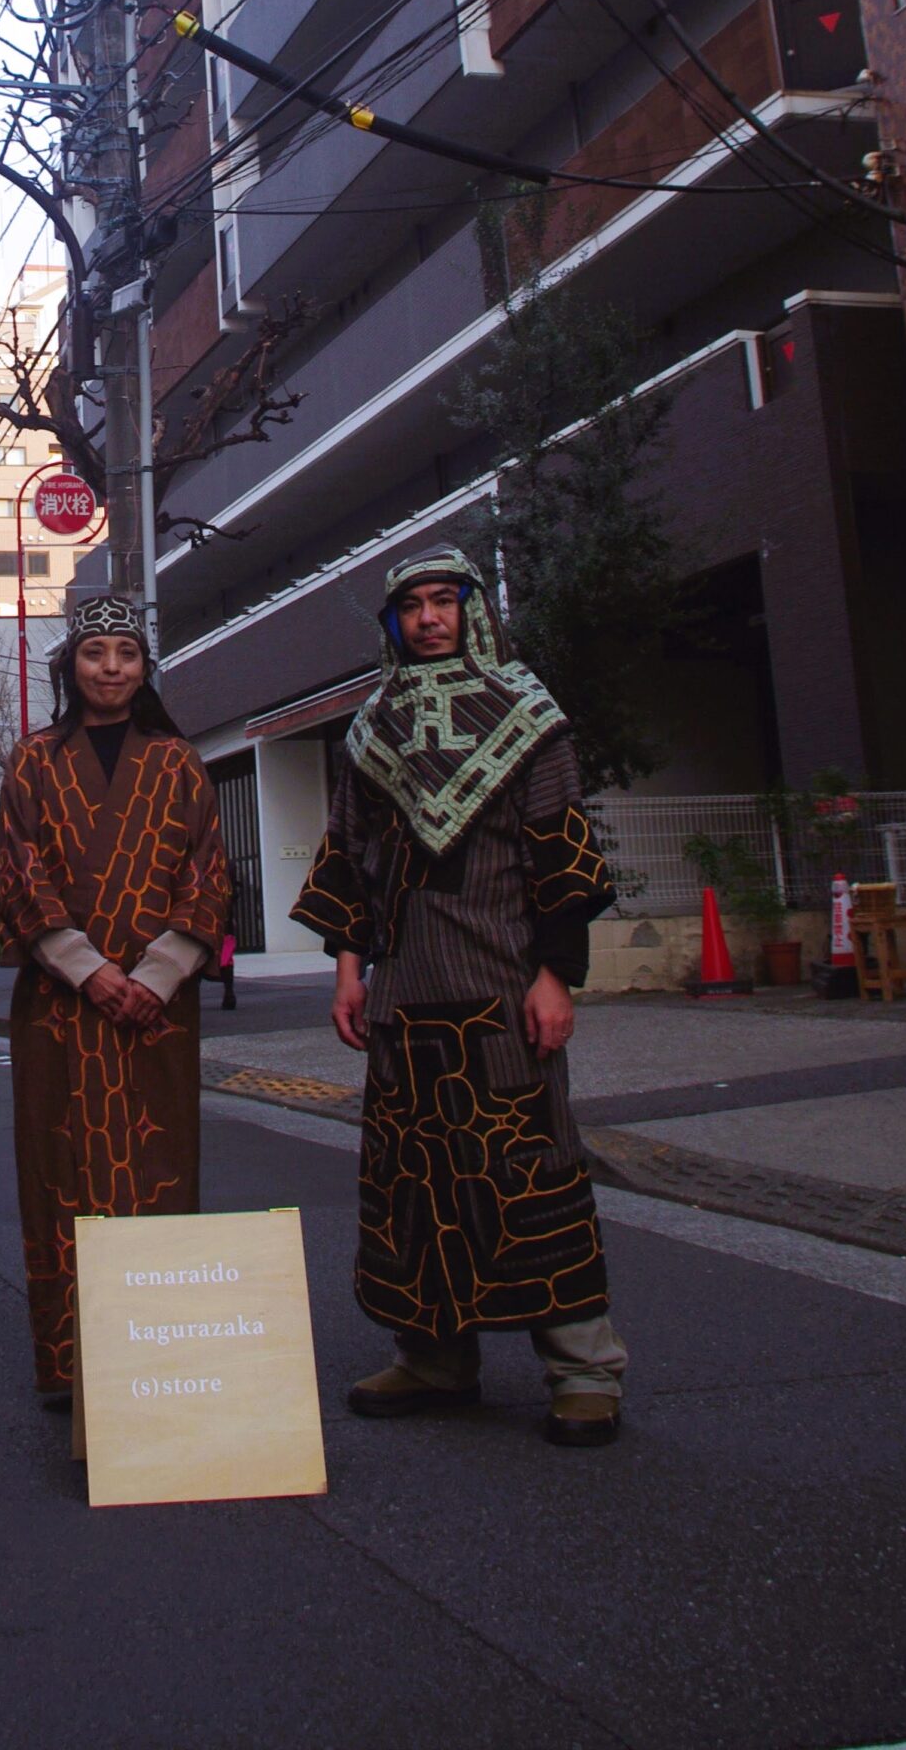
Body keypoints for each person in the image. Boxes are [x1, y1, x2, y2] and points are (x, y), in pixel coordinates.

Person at [291, 546, 627, 1448]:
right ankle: (435, 1360)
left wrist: (556, 974)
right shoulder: (371, 728)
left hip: (504, 991)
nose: (429, 618)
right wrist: (350, 972)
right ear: (391, 622)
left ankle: (583, 1371)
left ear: (471, 610)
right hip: (406, 1000)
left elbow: (561, 848)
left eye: (445, 600)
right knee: (415, 1183)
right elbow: (348, 856)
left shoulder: (529, 713)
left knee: (536, 1172)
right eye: (412, 605)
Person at [0, 594, 230, 1405]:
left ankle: (160, 1359)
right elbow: (16, 873)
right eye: (96, 655)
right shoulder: (31, 762)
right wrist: (85, 968)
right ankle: (71, 1364)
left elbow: (207, 876)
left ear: (143, 666)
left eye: (126, 654)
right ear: (71, 666)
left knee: (158, 1167)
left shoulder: (179, 762)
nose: (112, 669)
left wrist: (157, 974)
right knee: (59, 1172)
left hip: (155, 1012)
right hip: (60, 1009)